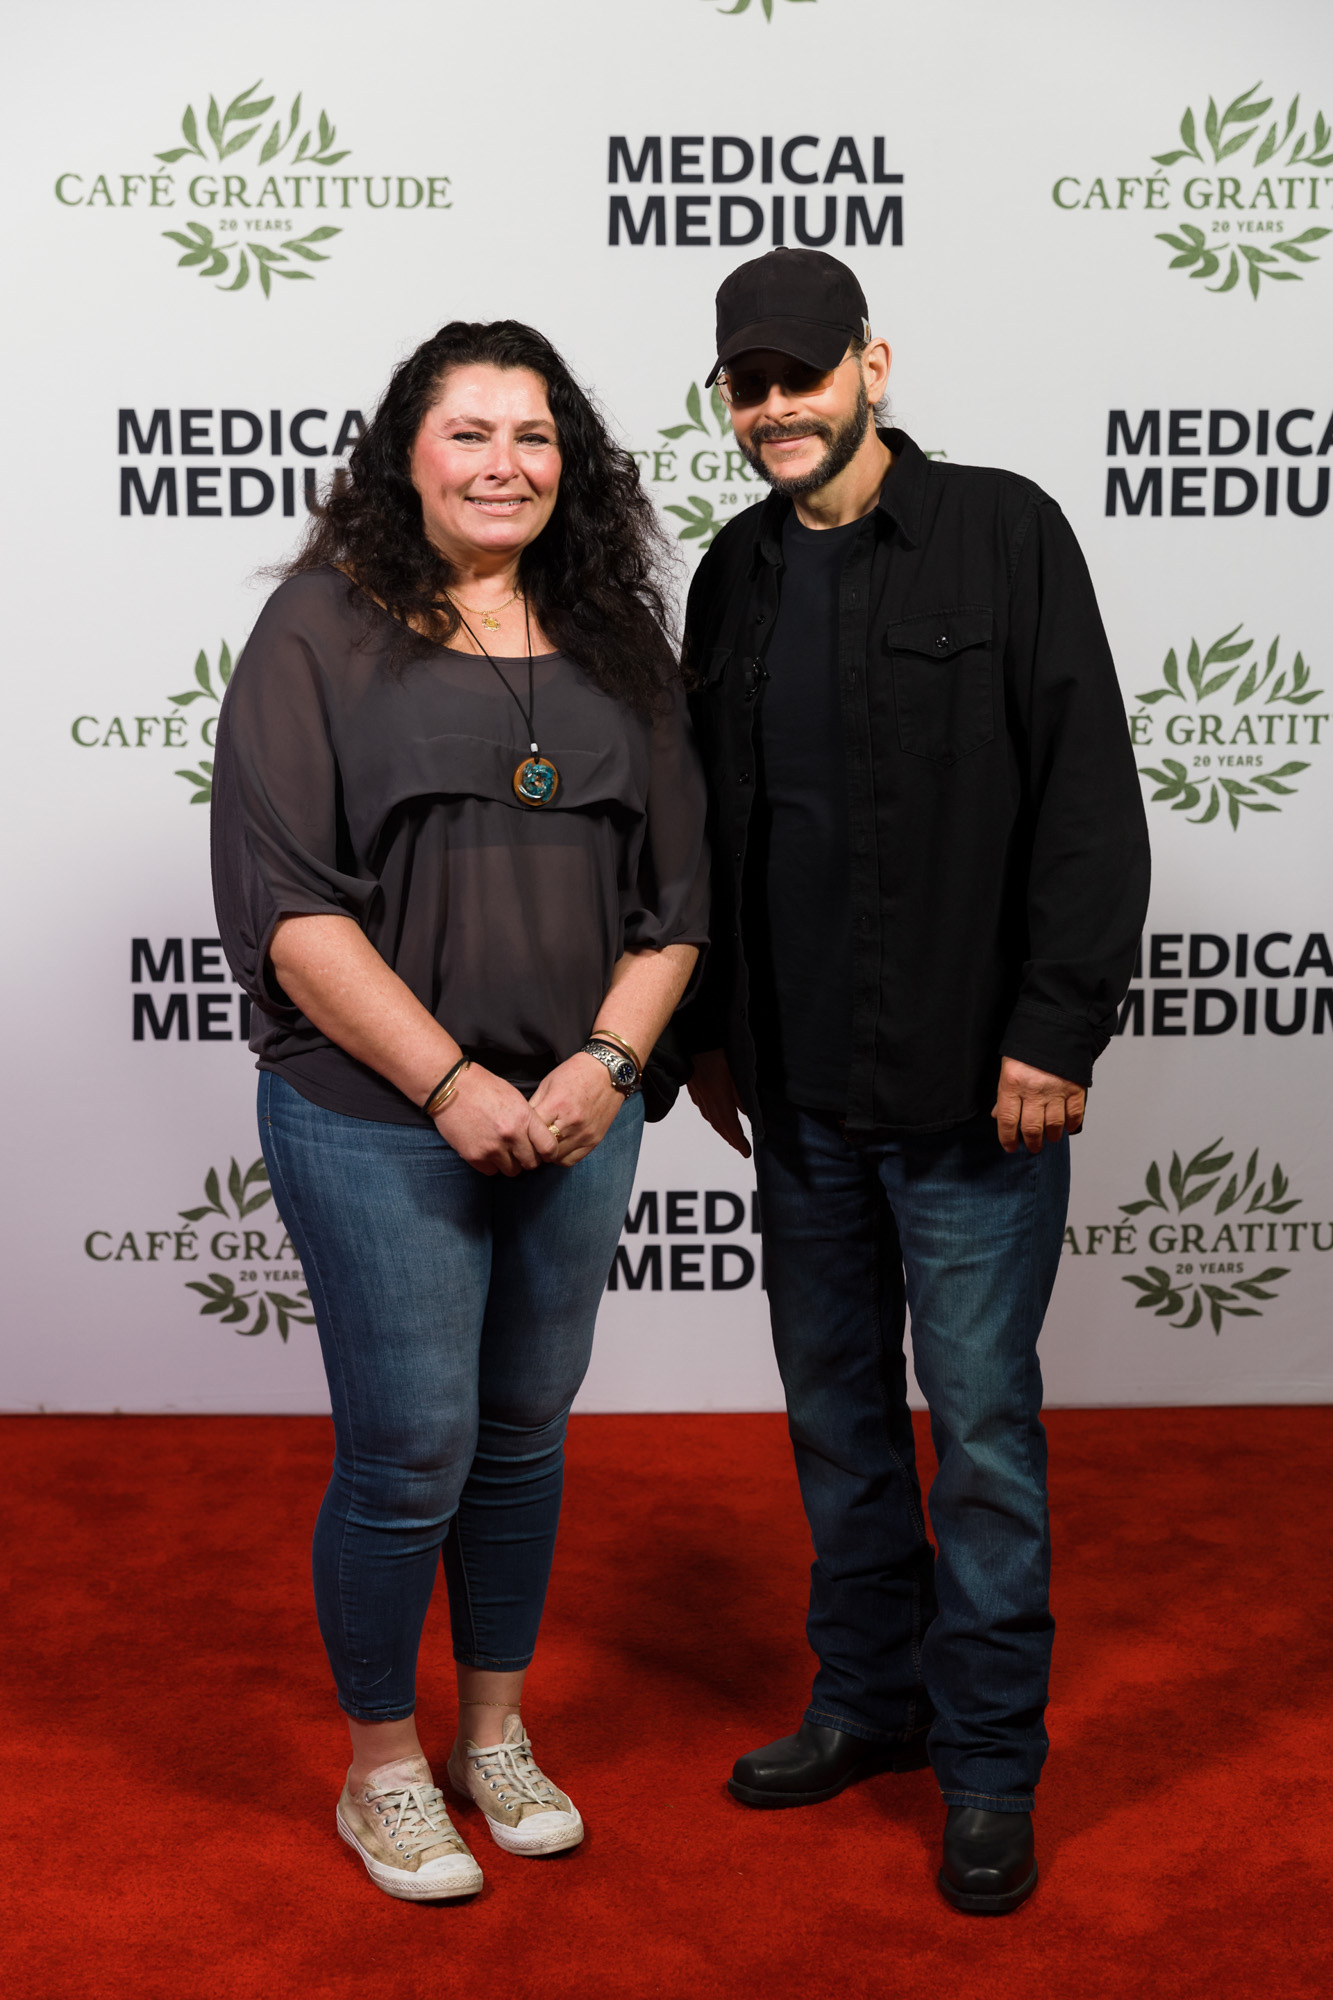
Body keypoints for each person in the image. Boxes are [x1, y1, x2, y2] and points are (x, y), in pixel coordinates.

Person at [211, 320, 708, 1902]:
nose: (506, 463)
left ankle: (494, 1732)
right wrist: (449, 1081)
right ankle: (382, 1769)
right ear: (404, 456)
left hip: (575, 1117)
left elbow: (677, 905)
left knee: (520, 1437)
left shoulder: (620, 640)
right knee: (410, 1450)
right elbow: (291, 912)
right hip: (376, 1116)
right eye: (470, 432)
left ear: (574, 463)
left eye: (535, 435)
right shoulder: (317, 629)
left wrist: (605, 1067)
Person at [683, 248, 1149, 1915]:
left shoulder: (1006, 531)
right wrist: (707, 1036)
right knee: (834, 1426)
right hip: (798, 1102)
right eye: (748, 384)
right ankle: (866, 1702)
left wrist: (1055, 1029)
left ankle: (989, 1767)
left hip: (972, 1096)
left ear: (870, 367)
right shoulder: (729, 575)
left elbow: (1087, 799)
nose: (776, 407)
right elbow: (713, 829)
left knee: (984, 1440)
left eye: (802, 374)